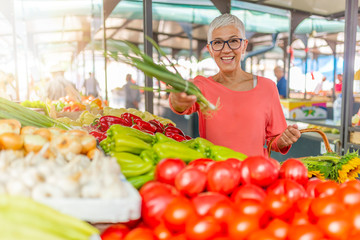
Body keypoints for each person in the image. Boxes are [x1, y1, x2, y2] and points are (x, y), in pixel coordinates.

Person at [169, 13, 301, 157]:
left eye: (233, 41)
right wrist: (177, 97)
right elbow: (180, 106)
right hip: (215, 175)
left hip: (256, 175)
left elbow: (275, 141)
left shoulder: (267, 87)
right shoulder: (201, 85)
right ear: (210, 49)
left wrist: (284, 139)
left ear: (244, 46)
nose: (226, 49)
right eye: (218, 43)